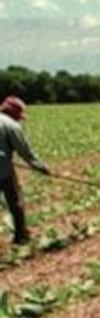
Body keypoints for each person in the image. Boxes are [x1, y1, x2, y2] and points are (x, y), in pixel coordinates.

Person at [0, 96, 50, 245]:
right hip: (2, 170)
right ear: (14, 113)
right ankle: (21, 237)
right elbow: (26, 153)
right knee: (15, 200)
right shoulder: (10, 125)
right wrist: (41, 167)